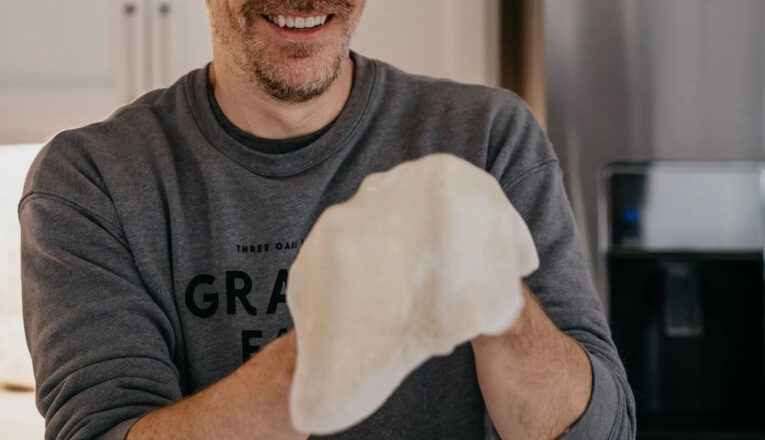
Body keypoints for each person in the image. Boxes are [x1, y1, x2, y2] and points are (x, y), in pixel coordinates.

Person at [19, 0, 636, 439]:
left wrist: (500, 300)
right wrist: (326, 356)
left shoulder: (487, 138)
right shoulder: (92, 179)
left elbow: (601, 429)